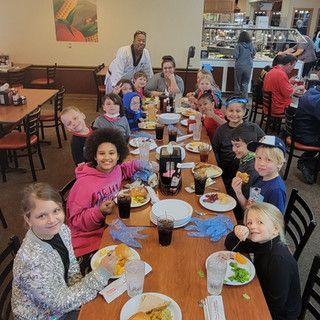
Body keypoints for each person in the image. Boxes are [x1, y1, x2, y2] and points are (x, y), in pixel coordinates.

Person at [12, 182, 116, 320]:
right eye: (42, 216)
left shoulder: (62, 230)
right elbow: (60, 304)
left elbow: (72, 265)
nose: (52, 220)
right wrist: (101, 275)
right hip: (46, 315)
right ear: (28, 219)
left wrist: (82, 288)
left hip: (62, 295)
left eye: (56, 211)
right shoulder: (32, 262)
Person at [66, 128, 154, 272]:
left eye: (111, 153)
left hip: (109, 226)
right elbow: (75, 221)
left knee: (146, 245)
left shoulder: (115, 169)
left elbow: (124, 169)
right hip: (87, 240)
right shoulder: (84, 185)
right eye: (101, 153)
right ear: (94, 156)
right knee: (132, 264)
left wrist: (139, 164)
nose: (107, 158)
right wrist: (98, 211)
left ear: (119, 155)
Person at [225, 202, 301, 320]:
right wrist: (237, 231)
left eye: (260, 222)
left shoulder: (278, 260)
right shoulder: (263, 241)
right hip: (260, 289)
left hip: (279, 314)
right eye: (249, 223)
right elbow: (230, 244)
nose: (252, 226)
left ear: (275, 229)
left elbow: (275, 306)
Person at [212, 96, 264, 190]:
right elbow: (215, 150)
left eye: (238, 111)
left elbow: (265, 143)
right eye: (231, 111)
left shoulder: (253, 128)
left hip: (247, 171)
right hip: (225, 169)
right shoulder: (221, 130)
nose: (234, 114)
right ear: (225, 112)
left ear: (244, 112)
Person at [233, 135, 286, 214]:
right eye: (259, 158)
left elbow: (276, 223)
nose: (261, 163)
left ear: (279, 163)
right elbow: (248, 208)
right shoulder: (259, 178)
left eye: (268, 159)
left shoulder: (276, 191)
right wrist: (238, 192)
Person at [230, 125, 260, 220]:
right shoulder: (245, 158)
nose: (233, 149)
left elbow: (249, 205)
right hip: (236, 200)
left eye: (237, 145)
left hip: (242, 213)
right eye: (233, 145)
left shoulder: (253, 169)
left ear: (250, 145)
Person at [294, 82, 320, 184]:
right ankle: (310, 164)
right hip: (306, 136)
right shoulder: (317, 99)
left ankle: (306, 158)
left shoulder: (312, 91)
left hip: (301, 131)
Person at [234, 31, 256, 99]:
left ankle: (236, 98)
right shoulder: (251, 45)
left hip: (239, 66)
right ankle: (245, 99)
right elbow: (254, 53)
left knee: (237, 83)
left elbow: (235, 55)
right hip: (248, 66)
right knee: (245, 83)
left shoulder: (238, 45)